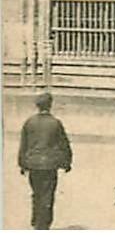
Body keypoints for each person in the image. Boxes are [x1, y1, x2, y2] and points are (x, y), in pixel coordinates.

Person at [18, 91, 72, 230]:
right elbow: (63, 144)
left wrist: (22, 163)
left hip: (34, 164)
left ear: (37, 106)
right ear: (50, 105)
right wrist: (67, 162)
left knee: (36, 192)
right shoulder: (55, 123)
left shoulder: (29, 122)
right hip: (49, 165)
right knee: (47, 194)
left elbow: (24, 144)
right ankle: (44, 224)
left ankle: (36, 220)